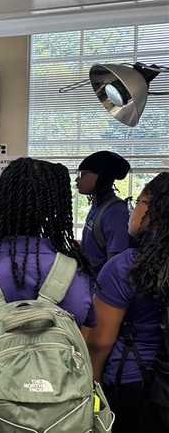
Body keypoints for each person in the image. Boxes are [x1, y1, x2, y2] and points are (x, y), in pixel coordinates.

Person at [0, 158, 97, 353]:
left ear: (2, 202)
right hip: (61, 381)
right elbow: (82, 341)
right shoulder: (78, 269)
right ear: (58, 206)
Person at [87, 172, 169, 433]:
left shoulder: (125, 267)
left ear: (153, 210)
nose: (131, 210)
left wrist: (92, 387)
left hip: (134, 382)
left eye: (137, 203)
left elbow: (100, 342)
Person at [76, 151, 131, 275]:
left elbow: (116, 266)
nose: (76, 179)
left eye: (81, 174)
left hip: (100, 289)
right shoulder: (98, 205)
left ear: (98, 175)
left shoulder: (115, 212)